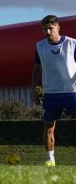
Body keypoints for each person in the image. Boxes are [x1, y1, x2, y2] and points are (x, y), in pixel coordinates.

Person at [33, 14, 76, 167]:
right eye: (44, 29)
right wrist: (33, 88)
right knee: (48, 127)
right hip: (51, 94)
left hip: (72, 92)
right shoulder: (40, 46)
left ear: (58, 27)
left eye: (50, 28)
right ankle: (50, 160)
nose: (48, 32)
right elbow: (37, 68)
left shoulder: (72, 44)